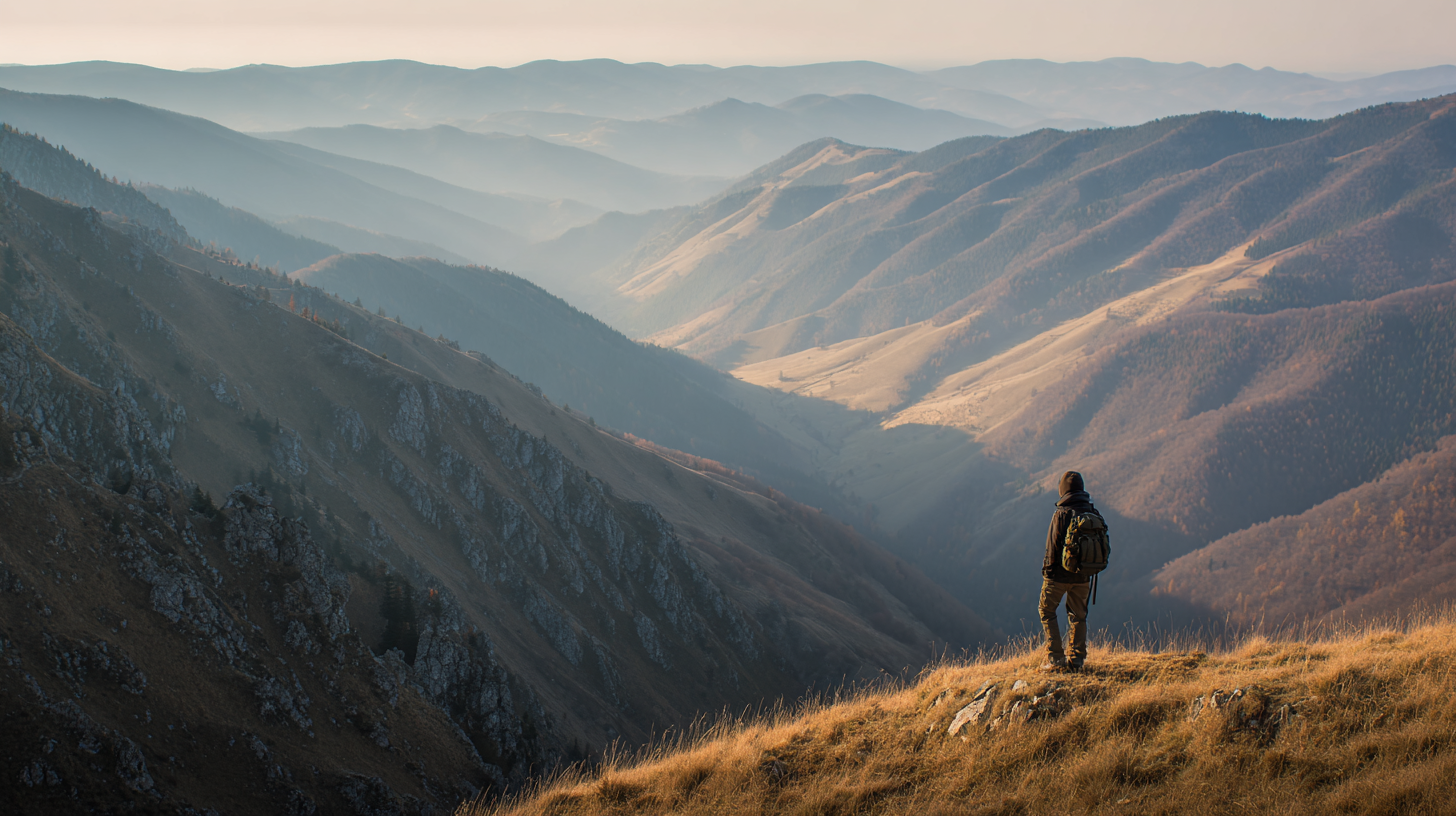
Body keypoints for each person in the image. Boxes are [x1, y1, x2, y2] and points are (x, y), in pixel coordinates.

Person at [1039, 470, 1101, 671]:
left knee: (1047, 610)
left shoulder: (1061, 513)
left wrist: (1047, 572)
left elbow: (1053, 546)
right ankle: (1077, 660)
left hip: (1057, 575)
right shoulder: (1092, 512)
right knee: (1078, 616)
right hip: (1083, 575)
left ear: (1063, 489)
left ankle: (1056, 659)